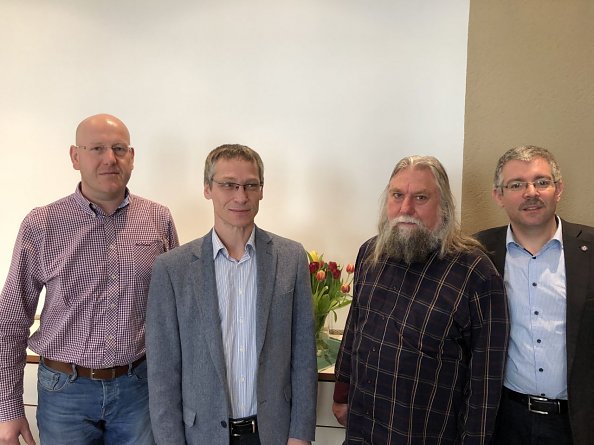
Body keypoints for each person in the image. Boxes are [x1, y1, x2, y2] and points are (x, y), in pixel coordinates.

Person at [0, 114, 179, 445]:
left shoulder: (159, 219)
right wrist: (8, 408)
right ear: (75, 157)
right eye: (96, 148)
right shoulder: (42, 224)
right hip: (64, 392)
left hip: (138, 390)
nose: (110, 158)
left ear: (132, 157)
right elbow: (10, 322)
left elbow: (173, 314)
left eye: (119, 148)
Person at [146, 144, 317, 445]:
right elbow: (162, 372)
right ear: (207, 189)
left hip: (272, 434)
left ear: (262, 190)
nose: (241, 196)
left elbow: (303, 356)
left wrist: (300, 435)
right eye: (228, 185)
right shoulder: (173, 269)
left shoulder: (290, 258)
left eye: (250, 185)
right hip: (202, 435)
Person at [332, 155, 509, 444]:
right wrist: (341, 394)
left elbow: (484, 386)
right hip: (363, 429)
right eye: (397, 195)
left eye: (421, 197)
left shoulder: (475, 274)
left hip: (426, 433)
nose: (406, 208)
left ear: (445, 206)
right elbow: (354, 331)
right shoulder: (371, 254)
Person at [475, 145, 594, 445]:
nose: (531, 192)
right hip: (504, 421)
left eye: (542, 182)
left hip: (578, 423)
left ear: (558, 189)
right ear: (498, 195)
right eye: (517, 185)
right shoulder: (478, 253)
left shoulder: (590, 250)